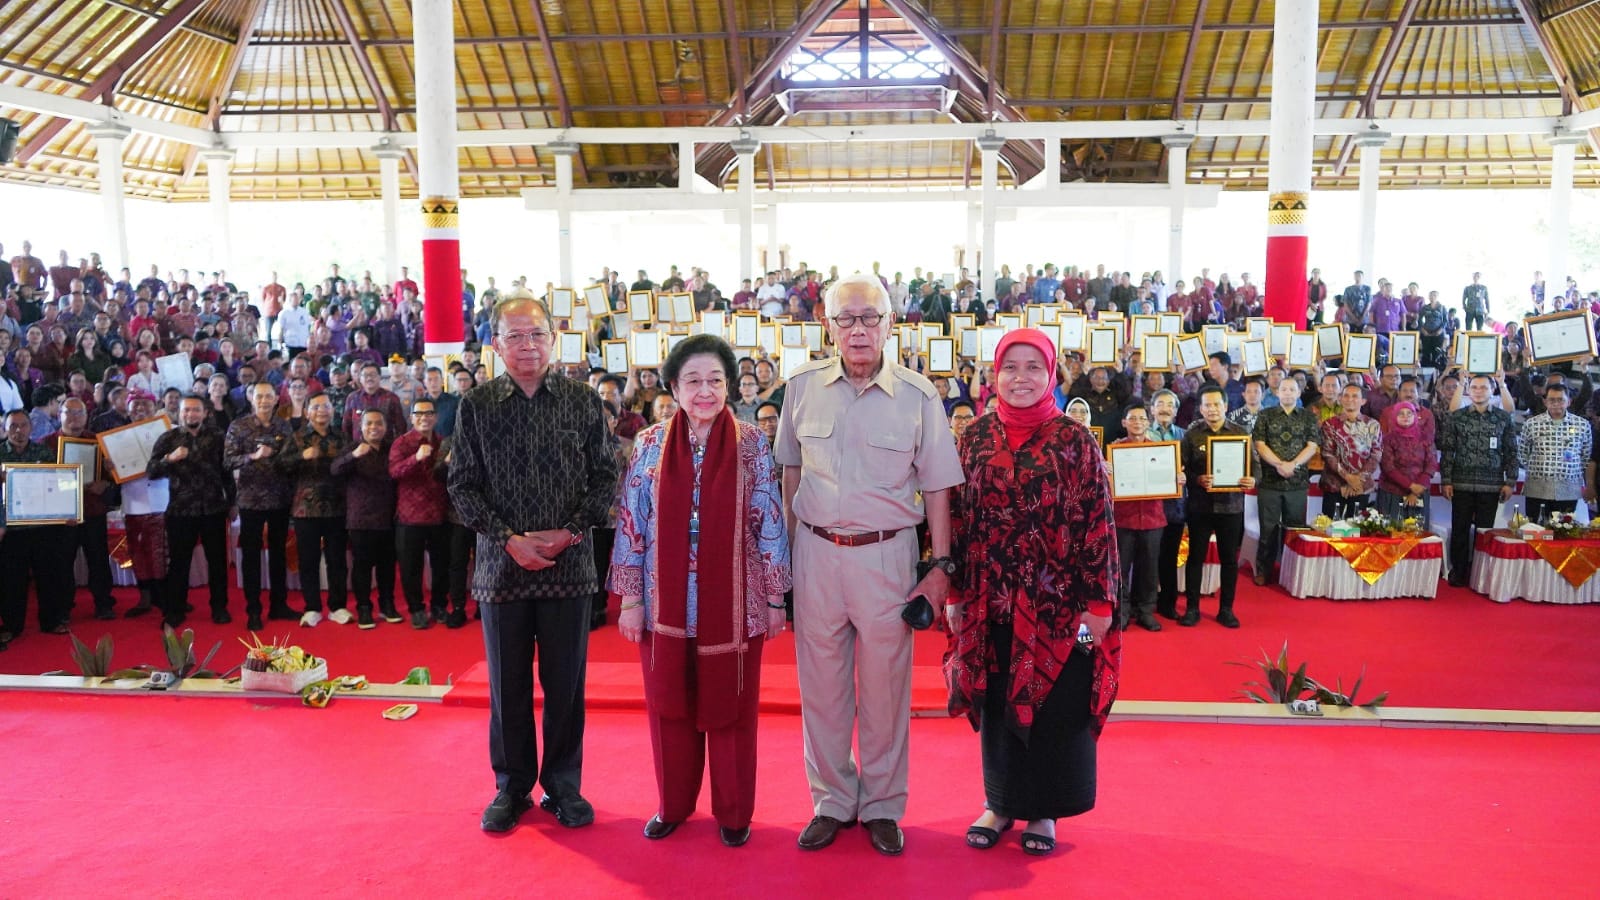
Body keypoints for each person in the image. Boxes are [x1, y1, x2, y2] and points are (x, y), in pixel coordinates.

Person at [775, 272, 963, 856]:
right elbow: (790, 471)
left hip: (887, 557)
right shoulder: (802, 387)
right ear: (827, 325)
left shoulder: (918, 396)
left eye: (870, 318)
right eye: (846, 319)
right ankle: (832, 799)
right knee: (822, 687)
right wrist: (784, 553)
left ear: (891, 324)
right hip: (815, 553)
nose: (858, 330)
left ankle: (882, 804)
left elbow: (937, 490)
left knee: (884, 689)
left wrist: (941, 567)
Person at [608, 334, 791, 847]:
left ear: (729, 386)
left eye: (715, 380)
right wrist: (630, 599)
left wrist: (776, 597)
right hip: (665, 601)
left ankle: (734, 812)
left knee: (732, 704)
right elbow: (631, 523)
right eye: (693, 381)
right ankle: (673, 804)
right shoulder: (649, 443)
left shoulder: (753, 442)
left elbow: (769, 521)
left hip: (736, 602)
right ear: (674, 386)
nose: (705, 391)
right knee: (669, 702)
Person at [946, 327, 1119, 856]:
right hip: (988, 597)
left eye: (1033, 368)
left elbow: (1098, 521)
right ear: (993, 375)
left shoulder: (1075, 439)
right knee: (998, 700)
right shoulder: (973, 437)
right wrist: (953, 593)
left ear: (1051, 375)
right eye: (1010, 368)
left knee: (1055, 702)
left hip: (1060, 602)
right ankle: (1000, 803)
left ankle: (1044, 810)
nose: (1020, 379)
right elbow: (956, 519)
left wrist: (1101, 603)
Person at [448, 297, 619, 834]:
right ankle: (513, 786)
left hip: (570, 568)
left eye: (536, 335)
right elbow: (462, 487)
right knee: (508, 687)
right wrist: (509, 540)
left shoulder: (582, 401)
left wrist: (568, 533)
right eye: (514, 336)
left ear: (554, 339)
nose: (527, 346)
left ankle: (564, 785)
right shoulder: (476, 406)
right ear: (495, 344)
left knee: (566, 685)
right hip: (503, 572)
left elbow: (605, 479)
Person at [146, 394, 234, 627]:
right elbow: (151, 471)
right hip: (180, 510)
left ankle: (219, 607)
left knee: (217, 562)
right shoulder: (168, 438)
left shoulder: (218, 436)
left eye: (195, 410)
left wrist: (232, 503)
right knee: (179, 563)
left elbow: (227, 473)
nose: (190, 414)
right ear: (179, 412)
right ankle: (175, 610)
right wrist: (170, 459)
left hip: (213, 508)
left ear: (205, 412)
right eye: (186, 410)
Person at [1180, 385, 1256, 627]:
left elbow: (1256, 470)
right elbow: (1183, 469)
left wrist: (1252, 480)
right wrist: (1197, 479)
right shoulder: (1192, 434)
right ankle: (1192, 609)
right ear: (1200, 408)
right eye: (1207, 405)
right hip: (1200, 506)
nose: (1212, 409)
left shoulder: (1240, 432)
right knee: (1196, 558)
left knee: (1229, 561)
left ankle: (1226, 609)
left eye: (1216, 404)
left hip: (1231, 507)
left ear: (1226, 406)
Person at [224, 381, 297, 630]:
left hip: (279, 498)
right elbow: (228, 460)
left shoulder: (283, 426)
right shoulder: (239, 426)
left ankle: (279, 604)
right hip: (251, 500)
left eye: (269, 396)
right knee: (252, 556)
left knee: (278, 553)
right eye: (260, 396)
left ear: (276, 398)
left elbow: (290, 459)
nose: (264, 400)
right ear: (251, 398)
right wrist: (252, 457)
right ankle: (253, 609)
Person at [1439, 374, 1519, 586]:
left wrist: (1510, 481)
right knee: (1460, 529)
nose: (1478, 391)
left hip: (1491, 483)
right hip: (1461, 482)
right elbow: (1448, 451)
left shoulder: (1503, 418)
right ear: (1468, 390)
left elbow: (1511, 452)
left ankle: (1480, 572)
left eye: (1483, 387)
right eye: (1474, 387)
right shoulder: (1457, 417)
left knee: (1484, 531)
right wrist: (1446, 480)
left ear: (1492, 390)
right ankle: (1459, 570)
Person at [0, 409, 72, 645]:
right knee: (12, 580)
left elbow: (59, 483)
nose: (18, 431)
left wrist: (69, 510)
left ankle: (51, 620)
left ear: (31, 428)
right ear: (5, 429)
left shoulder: (43, 451)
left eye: (23, 426)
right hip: (11, 529)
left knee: (48, 575)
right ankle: (11, 625)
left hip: (43, 525)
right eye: (13, 426)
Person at [46, 398, 117, 620]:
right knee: (62, 562)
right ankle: (63, 607)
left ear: (87, 416)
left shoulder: (96, 442)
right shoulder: (46, 444)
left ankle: (104, 603)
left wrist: (105, 482)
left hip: (93, 510)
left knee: (98, 559)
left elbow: (112, 478)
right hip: (62, 514)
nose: (75, 417)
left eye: (79, 412)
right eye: (69, 412)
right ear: (60, 414)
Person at [283, 393, 350, 626]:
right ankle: (311, 607)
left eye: (326, 406)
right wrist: (302, 456)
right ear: (307, 411)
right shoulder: (298, 437)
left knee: (337, 560)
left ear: (332, 410)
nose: (322, 410)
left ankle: (338, 606)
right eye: (316, 406)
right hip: (306, 509)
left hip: (337, 506)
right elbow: (281, 465)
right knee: (308, 560)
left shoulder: (341, 436)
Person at [391, 398, 456, 628]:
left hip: (440, 514)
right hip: (411, 516)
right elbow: (394, 472)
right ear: (412, 417)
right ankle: (416, 609)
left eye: (429, 413)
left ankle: (439, 605)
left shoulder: (444, 442)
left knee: (441, 565)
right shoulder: (402, 443)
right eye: (419, 414)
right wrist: (415, 458)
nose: (424, 418)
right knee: (411, 567)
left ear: (436, 417)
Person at [1251, 377, 1320, 585]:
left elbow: (1312, 446)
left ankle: (1292, 573)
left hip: (1297, 482)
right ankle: (1264, 570)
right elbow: (1260, 445)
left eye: (1292, 389)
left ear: (1299, 393)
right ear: (1277, 393)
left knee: (1294, 529)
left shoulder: (1308, 417)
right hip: (1270, 481)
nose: (1288, 393)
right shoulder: (1265, 415)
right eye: (1284, 389)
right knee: (1268, 529)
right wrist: (1280, 464)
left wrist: (1293, 465)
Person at [1111, 403, 1172, 631]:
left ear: (1148, 422)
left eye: (1141, 418)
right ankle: (1123, 612)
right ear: (1124, 423)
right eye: (1132, 418)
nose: (1137, 422)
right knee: (1121, 569)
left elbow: (1170, 481)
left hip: (1153, 518)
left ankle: (1146, 611)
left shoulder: (1162, 451)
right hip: (1123, 519)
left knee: (1149, 569)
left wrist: (1177, 478)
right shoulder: (1114, 450)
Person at [1517, 382, 1595, 524]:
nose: (1556, 403)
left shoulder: (1582, 425)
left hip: (1568, 488)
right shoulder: (1532, 424)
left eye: (1561, 400)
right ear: (1545, 401)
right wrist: (1539, 469)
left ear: (1569, 402)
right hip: (1537, 487)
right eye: (1552, 400)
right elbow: (1522, 452)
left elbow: (1585, 455)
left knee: (1562, 533)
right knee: (1535, 531)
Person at [1320, 384, 1383, 520]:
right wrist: (1348, 477)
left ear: (1363, 401)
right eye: (1346, 396)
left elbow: (1376, 455)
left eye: (1355, 396)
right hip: (1335, 485)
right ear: (1340, 399)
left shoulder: (1373, 425)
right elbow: (1327, 453)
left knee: (1357, 532)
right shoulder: (1329, 424)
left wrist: (1357, 480)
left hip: (1360, 487)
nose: (1350, 399)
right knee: (1331, 530)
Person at [1376, 401, 1438, 533]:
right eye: (1401, 413)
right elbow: (1388, 467)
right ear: (1394, 417)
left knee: (1417, 535)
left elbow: (1431, 463)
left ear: (1416, 416)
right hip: (1392, 493)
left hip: (1419, 493)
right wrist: (1411, 486)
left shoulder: (1426, 437)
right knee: (1392, 534)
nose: (1405, 416)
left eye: (1409, 413)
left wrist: (1417, 489)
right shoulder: (1388, 439)